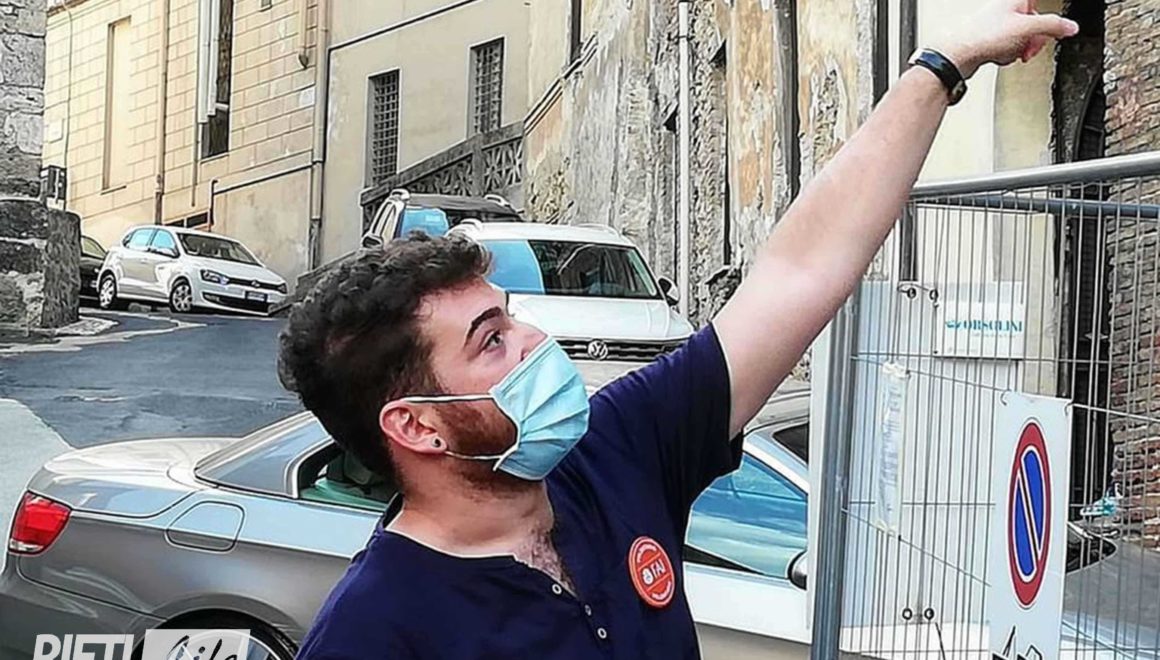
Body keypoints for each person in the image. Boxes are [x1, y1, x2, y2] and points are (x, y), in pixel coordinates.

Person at [278, 2, 1078, 658]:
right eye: (490, 340)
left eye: (513, 319)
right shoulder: (375, 633)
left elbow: (799, 272)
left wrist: (940, 66)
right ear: (416, 426)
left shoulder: (614, 450)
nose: (534, 343)